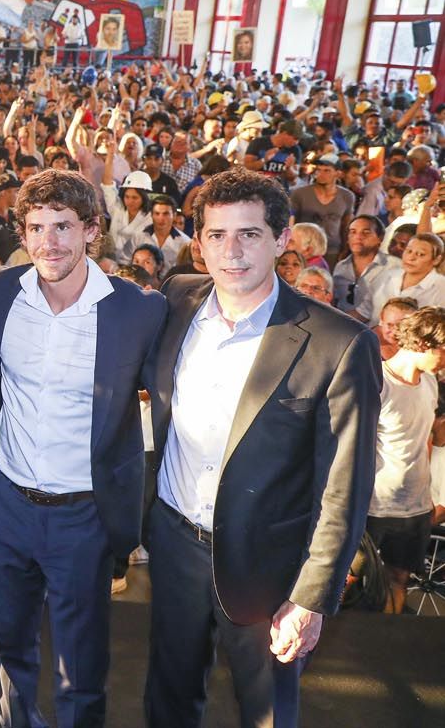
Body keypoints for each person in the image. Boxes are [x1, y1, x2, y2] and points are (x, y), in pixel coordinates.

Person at [145, 167, 380, 727]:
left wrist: (311, 596)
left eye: (249, 234)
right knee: (168, 699)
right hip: (175, 544)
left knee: (266, 712)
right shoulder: (176, 299)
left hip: (271, 566)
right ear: (197, 243)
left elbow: (345, 485)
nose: (232, 251)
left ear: (282, 238)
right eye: (216, 234)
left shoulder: (339, 343)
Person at [0, 169, 167, 728]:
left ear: (92, 230)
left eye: (61, 226)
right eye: (35, 227)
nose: (47, 242)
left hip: (84, 512)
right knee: (9, 644)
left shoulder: (139, 309)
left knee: (80, 666)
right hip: (7, 501)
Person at [370, 306, 445, 613]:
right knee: (357, 584)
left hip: (415, 506)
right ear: (423, 344)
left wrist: (431, 494)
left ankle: (386, 651)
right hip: (375, 506)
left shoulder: (429, 382)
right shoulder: (379, 383)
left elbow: (428, 437)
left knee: (399, 579)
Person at [363, 233, 445, 323]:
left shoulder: (441, 288)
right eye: (409, 251)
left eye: (420, 254)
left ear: (436, 259)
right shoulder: (388, 275)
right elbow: (363, 312)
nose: (411, 258)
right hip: (371, 334)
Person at [333, 215, 400, 320]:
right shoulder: (341, 267)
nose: (358, 237)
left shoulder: (393, 266)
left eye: (366, 232)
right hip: (342, 328)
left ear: (380, 238)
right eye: (353, 232)